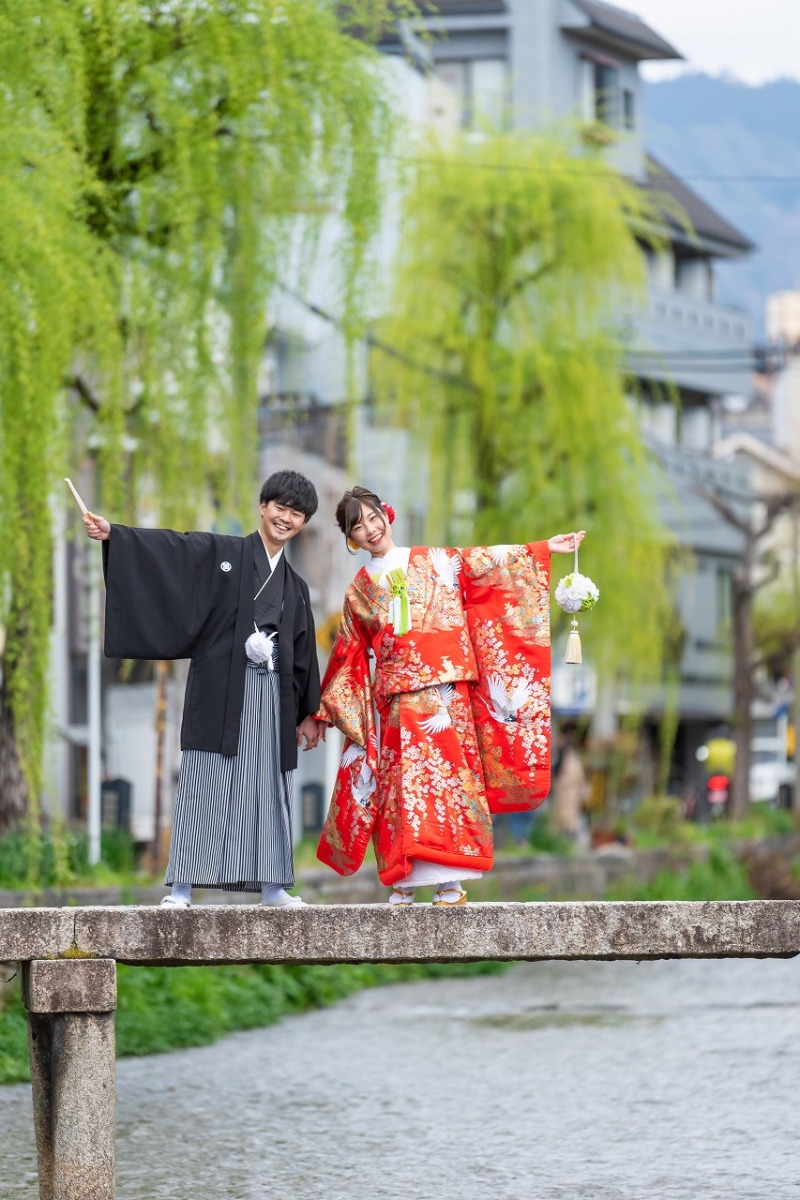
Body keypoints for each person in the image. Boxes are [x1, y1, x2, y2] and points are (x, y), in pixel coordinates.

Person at [312, 485, 585, 906]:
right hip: (396, 701)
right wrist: (323, 711)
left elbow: (488, 565)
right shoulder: (358, 590)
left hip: (446, 693)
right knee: (399, 791)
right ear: (351, 539)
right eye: (357, 526)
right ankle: (401, 879)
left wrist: (542, 549)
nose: (369, 529)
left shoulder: (434, 559)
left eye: (372, 517)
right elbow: (347, 653)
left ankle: (450, 882)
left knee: (450, 785)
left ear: (388, 514)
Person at [83, 470, 322, 908]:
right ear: (263, 507)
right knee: (205, 779)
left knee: (269, 784)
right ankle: (182, 888)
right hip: (220, 687)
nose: (286, 518)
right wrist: (115, 535)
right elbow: (173, 550)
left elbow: (304, 652)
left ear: (303, 523)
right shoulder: (223, 553)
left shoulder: (296, 587)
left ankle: (273, 887)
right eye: (280, 508)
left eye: (296, 513)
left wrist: (309, 713)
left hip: (272, 697)